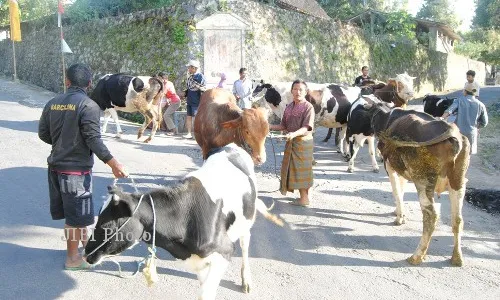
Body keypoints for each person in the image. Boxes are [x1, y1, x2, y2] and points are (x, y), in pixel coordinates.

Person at [38, 63, 128, 270]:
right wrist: (113, 163)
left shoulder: (52, 103)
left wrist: (62, 143)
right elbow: (93, 139)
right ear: (89, 84)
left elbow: (43, 134)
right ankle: (72, 258)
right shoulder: (89, 106)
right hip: (75, 172)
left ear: (67, 82)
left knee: (77, 213)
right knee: (74, 217)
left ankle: (86, 244)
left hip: (55, 168)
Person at [269, 79, 315, 207]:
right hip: (291, 140)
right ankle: (304, 197)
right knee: (295, 171)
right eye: (295, 89)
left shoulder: (308, 107)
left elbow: (307, 127)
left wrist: (293, 134)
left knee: (302, 170)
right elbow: (283, 125)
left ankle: (305, 199)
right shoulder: (289, 107)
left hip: (303, 143)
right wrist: (269, 126)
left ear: (305, 92)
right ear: (291, 91)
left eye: (301, 89)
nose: (297, 92)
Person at [441, 82, 488, 154]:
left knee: (456, 153)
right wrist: (477, 127)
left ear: (465, 91)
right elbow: (484, 122)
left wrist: (441, 118)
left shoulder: (459, 101)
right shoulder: (480, 105)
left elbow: (449, 110)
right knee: (467, 154)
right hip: (471, 134)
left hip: (458, 132)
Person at [184, 59, 206, 139]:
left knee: (196, 118)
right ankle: (189, 133)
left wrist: (197, 86)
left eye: (189, 67)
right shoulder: (190, 76)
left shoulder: (200, 76)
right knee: (189, 116)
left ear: (194, 68)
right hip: (190, 100)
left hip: (197, 101)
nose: (188, 69)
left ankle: (197, 134)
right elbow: (189, 87)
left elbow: (203, 88)